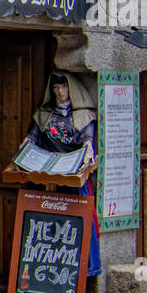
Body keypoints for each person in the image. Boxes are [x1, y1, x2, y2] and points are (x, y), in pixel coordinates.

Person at [21, 72, 101, 279]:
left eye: (64, 87)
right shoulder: (44, 113)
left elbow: (87, 142)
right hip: (45, 176)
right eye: (56, 87)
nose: (60, 91)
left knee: (73, 227)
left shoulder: (82, 115)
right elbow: (32, 138)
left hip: (71, 178)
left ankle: (75, 278)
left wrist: (87, 154)